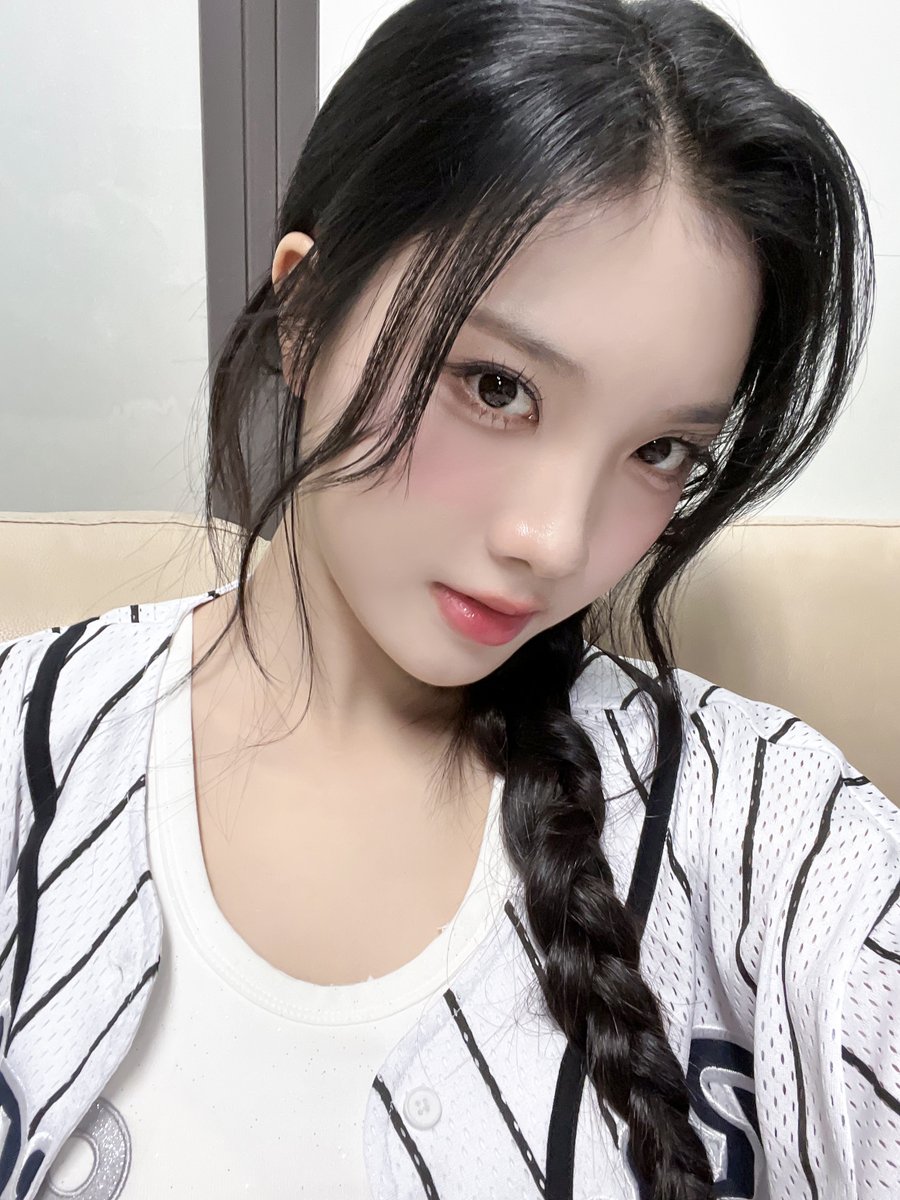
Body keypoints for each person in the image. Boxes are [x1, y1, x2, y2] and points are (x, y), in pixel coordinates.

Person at [0, 0, 897, 1196]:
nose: (554, 542)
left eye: (661, 451)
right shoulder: (25, 745)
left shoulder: (774, 832)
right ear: (304, 317)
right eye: (497, 386)